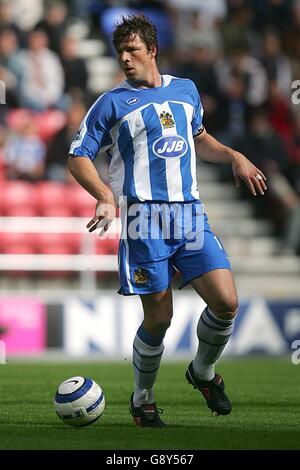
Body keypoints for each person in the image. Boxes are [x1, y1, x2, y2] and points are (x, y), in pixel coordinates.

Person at [67, 14, 267, 428]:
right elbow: (77, 156)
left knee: (227, 302)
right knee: (160, 319)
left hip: (190, 214)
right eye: (120, 52)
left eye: (133, 50)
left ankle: (203, 373)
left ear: (152, 51)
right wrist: (105, 195)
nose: (125, 58)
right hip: (144, 220)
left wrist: (233, 155)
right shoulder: (111, 102)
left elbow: (199, 138)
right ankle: (143, 399)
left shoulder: (186, 90)